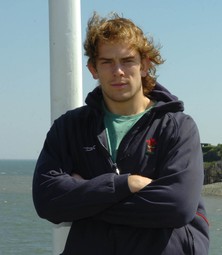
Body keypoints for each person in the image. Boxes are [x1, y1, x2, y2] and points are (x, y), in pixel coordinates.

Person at [32, 12, 209, 255]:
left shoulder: (177, 126)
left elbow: (177, 206)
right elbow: (47, 200)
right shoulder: (69, 128)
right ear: (93, 69)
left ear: (145, 65)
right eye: (106, 62)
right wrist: (125, 184)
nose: (118, 71)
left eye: (127, 61)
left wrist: (87, 198)